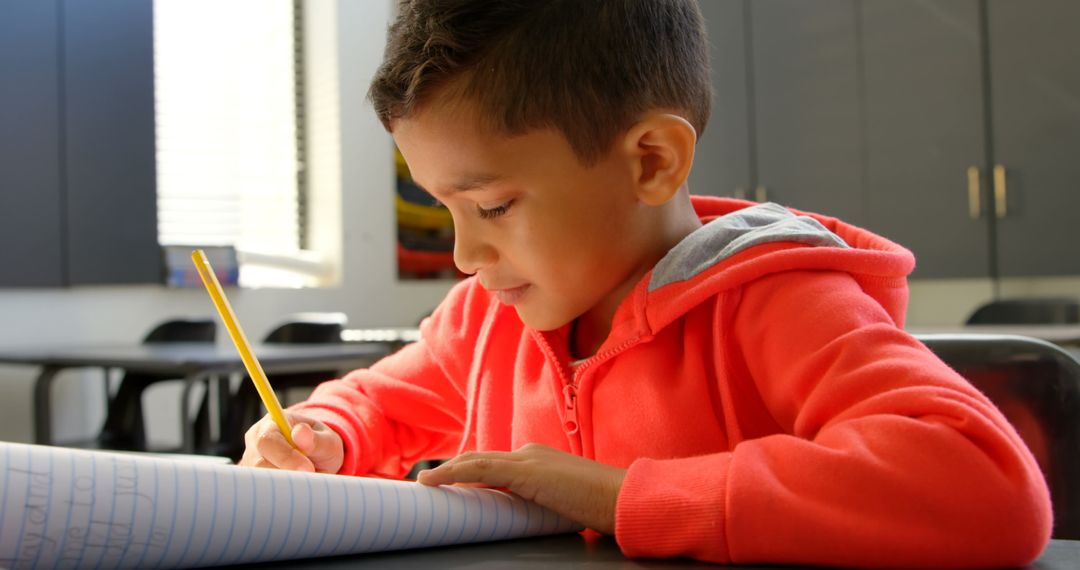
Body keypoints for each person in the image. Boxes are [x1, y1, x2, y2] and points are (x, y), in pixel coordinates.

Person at [240, 0, 1052, 565]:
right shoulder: (484, 321)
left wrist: (618, 495)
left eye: (491, 205)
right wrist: (320, 433)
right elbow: (382, 403)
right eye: (443, 206)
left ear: (652, 161)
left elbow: (989, 486)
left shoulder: (780, 302)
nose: (463, 255)